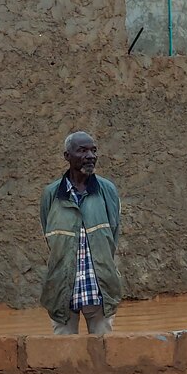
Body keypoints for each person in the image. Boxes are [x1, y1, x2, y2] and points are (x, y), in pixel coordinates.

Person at [41, 131, 122, 335]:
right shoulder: (51, 195)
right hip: (62, 292)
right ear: (67, 156)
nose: (90, 156)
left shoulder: (107, 190)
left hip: (99, 289)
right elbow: (49, 235)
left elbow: (113, 234)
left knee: (102, 355)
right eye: (82, 150)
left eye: (93, 150)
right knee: (63, 357)